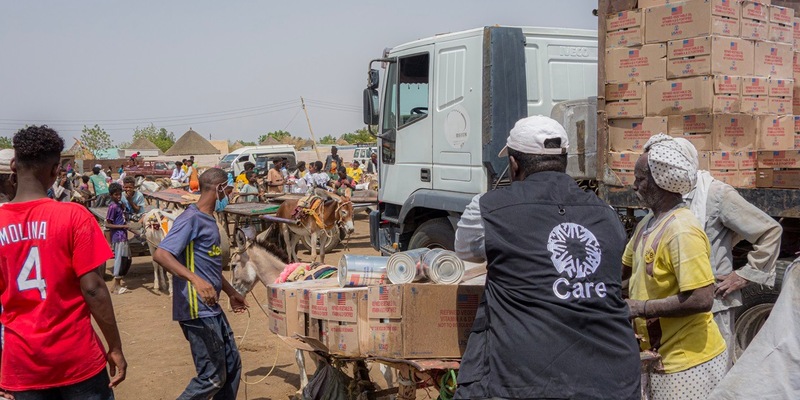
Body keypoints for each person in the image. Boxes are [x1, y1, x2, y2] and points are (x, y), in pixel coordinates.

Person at [453, 116, 641, 399]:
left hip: (525, 379)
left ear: (514, 164)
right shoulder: (607, 213)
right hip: (614, 374)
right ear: (565, 161)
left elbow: (465, 249)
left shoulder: (487, 208)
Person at [0, 125, 126, 398]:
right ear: (56, 170)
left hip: (22, 365)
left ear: (13, 163)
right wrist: (114, 347)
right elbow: (93, 288)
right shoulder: (74, 216)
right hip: (77, 361)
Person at [624, 133, 727, 399]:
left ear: (661, 182)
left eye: (641, 179)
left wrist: (640, 308)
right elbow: (625, 275)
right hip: (659, 358)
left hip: (688, 362)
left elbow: (702, 298)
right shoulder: (646, 225)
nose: (634, 186)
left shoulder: (681, 230)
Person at [672, 138, 782, 368]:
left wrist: (744, 275)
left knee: (714, 376)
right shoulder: (667, 197)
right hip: (675, 303)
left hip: (714, 305)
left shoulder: (716, 195)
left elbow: (769, 231)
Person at [153, 168, 247, 400]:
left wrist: (231, 291)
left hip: (212, 307)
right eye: (229, 188)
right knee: (212, 376)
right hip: (196, 310)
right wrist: (194, 280)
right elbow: (162, 254)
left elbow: (209, 266)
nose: (232, 192)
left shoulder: (209, 219)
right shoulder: (191, 219)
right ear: (219, 189)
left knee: (232, 365)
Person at [106, 183, 131, 295]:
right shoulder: (112, 207)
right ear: (111, 195)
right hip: (118, 236)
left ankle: (117, 284)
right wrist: (123, 227)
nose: (118, 196)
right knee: (120, 260)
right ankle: (116, 285)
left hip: (123, 236)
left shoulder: (120, 205)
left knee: (127, 259)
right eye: (116, 194)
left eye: (120, 194)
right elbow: (108, 224)